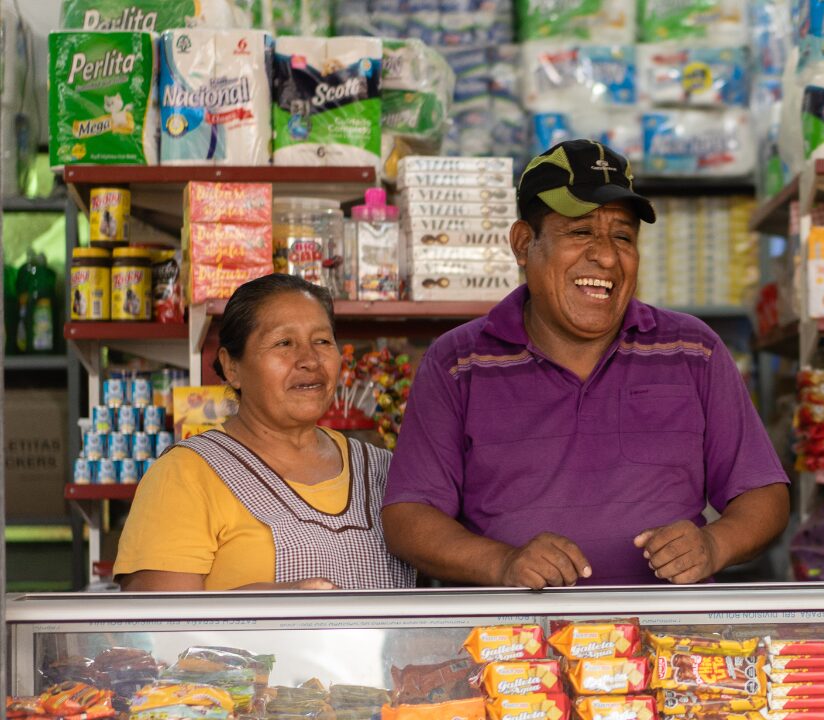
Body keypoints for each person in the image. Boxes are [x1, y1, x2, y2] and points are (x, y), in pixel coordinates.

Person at [383, 139, 789, 588]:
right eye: (580, 232)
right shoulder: (457, 362)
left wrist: (715, 545)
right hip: (512, 648)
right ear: (523, 243)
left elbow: (763, 492)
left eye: (622, 236)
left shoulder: (692, 350)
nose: (607, 256)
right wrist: (502, 563)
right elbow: (409, 517)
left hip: (666, 645)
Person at [115, 274, 415, 591]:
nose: (310, 360)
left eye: (322, 341)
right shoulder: (185, 475)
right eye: (284, 343)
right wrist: (266, 603)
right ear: (232, 367)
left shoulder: (385, 470)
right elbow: (158, 629)